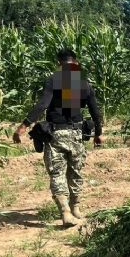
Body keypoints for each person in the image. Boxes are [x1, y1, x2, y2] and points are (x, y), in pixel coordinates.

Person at [13, 49, 103, 227]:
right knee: (76, 172)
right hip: (77, 134)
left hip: (56, 134)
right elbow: (95, 110)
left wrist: (24, 125)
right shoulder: (83, 83)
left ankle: (65, 212)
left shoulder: (54, 80)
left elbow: (42, 105)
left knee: (57, 173)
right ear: (75, 63)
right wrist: (98, 133)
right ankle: (76, 208)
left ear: (59, 64)